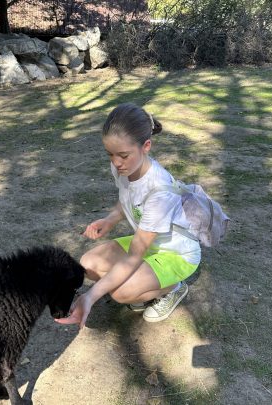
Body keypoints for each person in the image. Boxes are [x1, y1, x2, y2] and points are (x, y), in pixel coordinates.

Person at [56, 103, 201, 329]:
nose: (116, 163)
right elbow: (128, 199)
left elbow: (134, 256)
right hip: (150, 244)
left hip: (176, 253)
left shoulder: (159, 191)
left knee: (120, 292)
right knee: (88, 265)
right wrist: (110, 219)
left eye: (123, 155)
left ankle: (174, 288)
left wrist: (90, 297)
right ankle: (143, 283)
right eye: (110, 154)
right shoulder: (125, 168)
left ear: (146, 146)